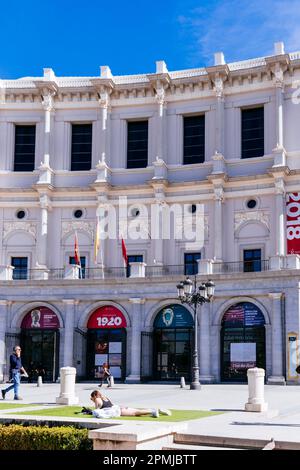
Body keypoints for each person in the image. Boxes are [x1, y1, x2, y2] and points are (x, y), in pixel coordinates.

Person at [87, 390, 172, 419]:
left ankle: (153, 411)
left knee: (135, 413)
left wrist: (93, 401)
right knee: (137, 411)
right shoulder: (105, 397)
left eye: (92, 397)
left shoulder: (97, 399)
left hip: (118, 411)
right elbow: (110, 404)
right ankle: (153, 410)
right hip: (118, 408)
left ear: (94, 396)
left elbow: (97, 410)